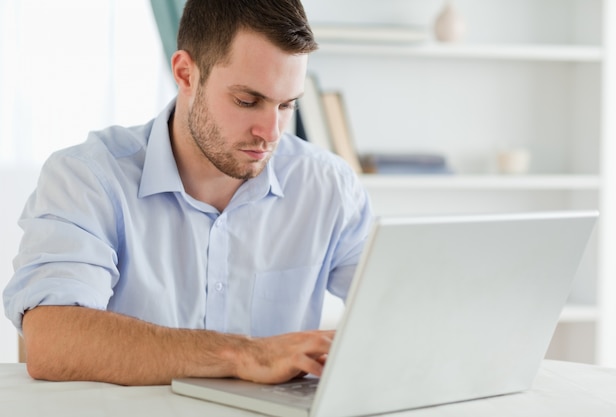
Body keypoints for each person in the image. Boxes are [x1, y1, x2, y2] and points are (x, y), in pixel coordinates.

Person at [3, 0, 373, 386]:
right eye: (248, 101)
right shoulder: (88, 178)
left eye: (286, 105)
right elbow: (53, 342)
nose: (271, 132)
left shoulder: (328, 186)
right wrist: (245, 354)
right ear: (185, 74)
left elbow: (401, 310)